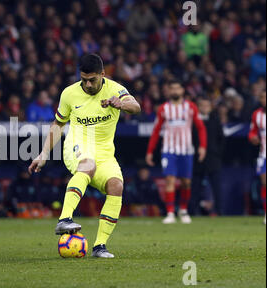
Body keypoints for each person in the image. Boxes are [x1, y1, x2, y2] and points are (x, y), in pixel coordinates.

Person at [28, 53, 141, 258]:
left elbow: (136, 107)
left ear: (103, 75)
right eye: (84, 80)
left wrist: (120, 104)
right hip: (78, 144)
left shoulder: (116, 90)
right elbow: (58, 124)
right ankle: (64, 219)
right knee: (87, 165)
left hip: (105, 152)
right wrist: (44, 153)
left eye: (92, 80)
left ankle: (99, 247)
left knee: (116, 186)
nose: (88, 84)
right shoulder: (69, 94)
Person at [145, 79, 207, 224]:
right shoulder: (163, 109)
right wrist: (150, 151)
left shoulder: (191, 107)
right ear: (168, 91)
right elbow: (156, 130)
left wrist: (202, 146)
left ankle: (183, 210)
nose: (175, 91)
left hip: (186, 150)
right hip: (169, 150)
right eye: (172, 88)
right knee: (170, 180)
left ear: (182, 90)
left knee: (186, 182)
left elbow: (201, 127)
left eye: (177, 88)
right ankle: (170, 213)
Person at [190, 97, 225, 216]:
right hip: (197, 159)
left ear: (210, 107)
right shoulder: (193, 121)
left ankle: (220, 211)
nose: (204, 108)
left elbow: (221, 139)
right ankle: (191, 211)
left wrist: (216, 153)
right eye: (202, 105)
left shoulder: (215, 120)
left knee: (216, 187)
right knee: (194, 187)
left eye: (207, 106)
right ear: (198, 107)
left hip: (213, 159)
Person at [248, 90, 266, 224]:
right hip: (263, 154)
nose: (264, 99)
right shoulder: (257, 114)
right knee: (264, 182)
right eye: (262, 97)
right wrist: (253, 137)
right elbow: (252, 131)